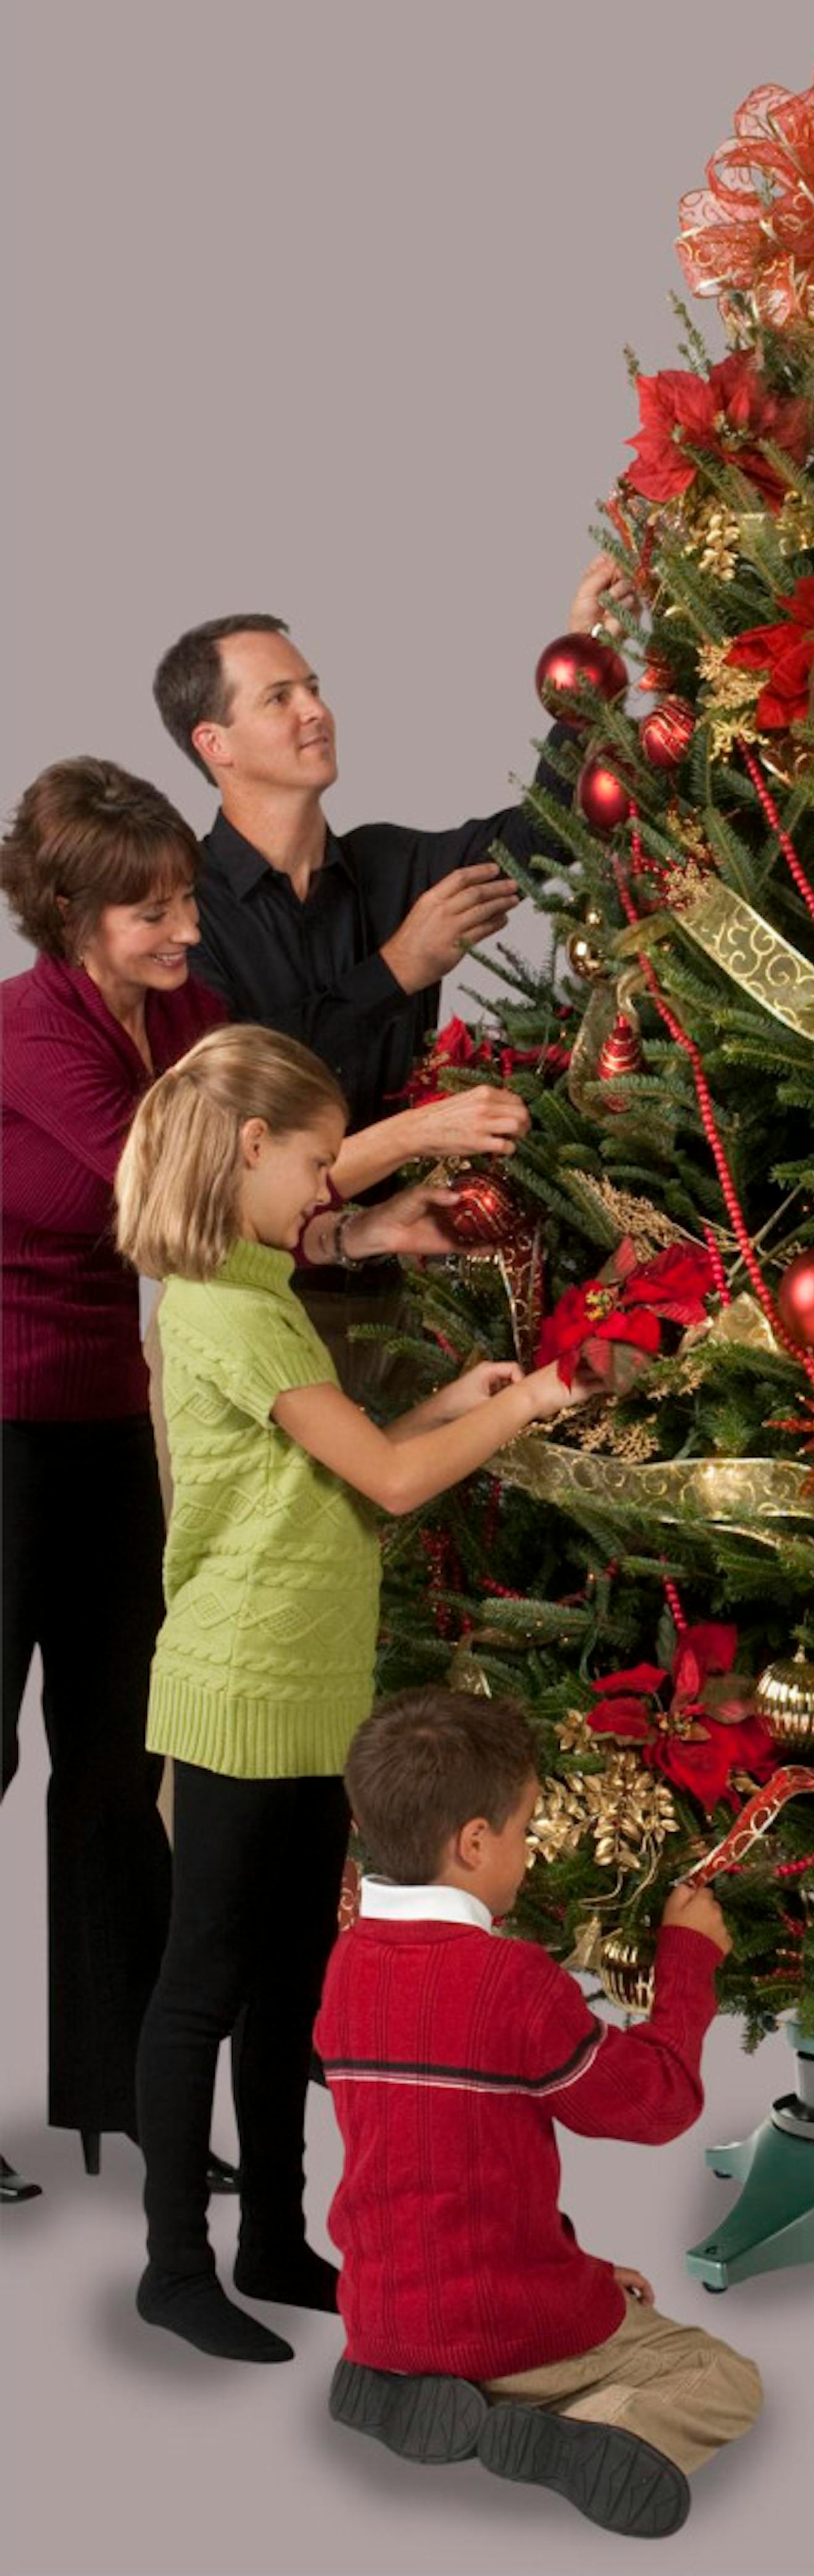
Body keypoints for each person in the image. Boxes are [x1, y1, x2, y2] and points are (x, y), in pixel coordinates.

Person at [114, 1025, 592, 2366]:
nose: (333, 1185)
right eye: (318, 1161)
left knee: (291, 1979)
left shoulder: (260, 1282)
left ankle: (273, 2235)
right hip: (237, 1684)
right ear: (248, 1147)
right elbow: (383, 1481)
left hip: (313, 1684)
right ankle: (171, 2264)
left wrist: (456, 1396)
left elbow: (343, 1465)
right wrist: (538, 1397)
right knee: (203, 1979)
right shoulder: (219, 1303)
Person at [150, 557, 629, 1398]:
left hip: (406, 1298)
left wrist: (583, 660)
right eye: (280, 698)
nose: (316, 711)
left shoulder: (388, 865)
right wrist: (399, 968)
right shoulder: (183, 914)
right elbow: (247, 1098)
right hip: (254, 1306)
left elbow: (545, 834)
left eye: (314, 686)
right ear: (213, 744)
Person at [316, 1688, 763, 2542]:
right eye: (524, 1831)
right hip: (507, 2329)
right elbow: (656, 2100)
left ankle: (398, 2376)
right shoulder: (510, 1981)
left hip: (379, 2310)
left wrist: (585, 2268)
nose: (530, 1852)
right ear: (474, 1841)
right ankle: (595, 2426)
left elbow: (435, 2171)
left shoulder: (347, 1963)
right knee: (723, 2374)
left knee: (559, 2291)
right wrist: (689, 1956)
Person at [0, 758, 235, 2206]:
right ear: (76, 915)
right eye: (152, 910)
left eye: (189, 898)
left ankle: (122, 2095)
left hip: (104, 1424)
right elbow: (174, 1194)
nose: (184, 931)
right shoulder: (33, 1032)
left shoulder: (192, 1016)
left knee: (113, 1766)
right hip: (1, 1421)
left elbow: (263, 1147)